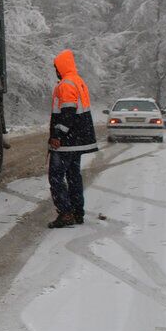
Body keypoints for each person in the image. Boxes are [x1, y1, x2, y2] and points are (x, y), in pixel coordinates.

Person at [47, 49, 98, 228]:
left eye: (56, 67)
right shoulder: (78, 81)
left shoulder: (66, 84)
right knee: (73, 175)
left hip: (66, 141)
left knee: (56, 177)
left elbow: (67, 113)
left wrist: (58, 135)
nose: (55, 70)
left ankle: (65, 213)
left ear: (61, 66)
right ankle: (77, 212)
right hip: (77, 140)